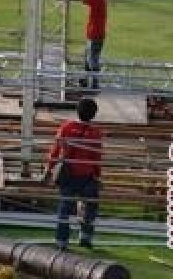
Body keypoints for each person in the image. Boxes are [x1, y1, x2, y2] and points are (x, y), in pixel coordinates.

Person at [44, 97, 103, 249]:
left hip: (68, 174)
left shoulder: (66, 127)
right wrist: (98, 176)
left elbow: (55, 151)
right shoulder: (95, 133)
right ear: (94, 114)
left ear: (77, 111)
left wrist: (49, 169)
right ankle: (85, 238)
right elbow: (96, 157)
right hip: (87, 176)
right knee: (90, 207)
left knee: (65, 208)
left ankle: (61, 241)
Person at [70, 0, 108, 90]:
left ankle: (94, 83)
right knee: (88, 58)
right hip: (96, 33)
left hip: (95, 34)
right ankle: (86, 80)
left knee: (92, 60)